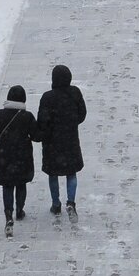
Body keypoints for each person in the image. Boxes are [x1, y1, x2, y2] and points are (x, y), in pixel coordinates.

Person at [0, 85, 37, 237]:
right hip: (23, 156)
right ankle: (19, 211)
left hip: (5, 156)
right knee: (21, 184)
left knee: (7, 185)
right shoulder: (27, 116)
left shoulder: (0, 115)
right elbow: (36, 135)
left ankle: (8, 216)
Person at [36, 64, 87, 219]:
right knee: (71, 172)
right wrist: (71, 123)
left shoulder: (47, 97)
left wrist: (43, 133)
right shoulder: (75, 93)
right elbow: (82, 114)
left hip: (52, 142)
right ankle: (71, 202)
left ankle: (56, 204)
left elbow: (42, 121)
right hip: (70, 139)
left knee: (53, 174)